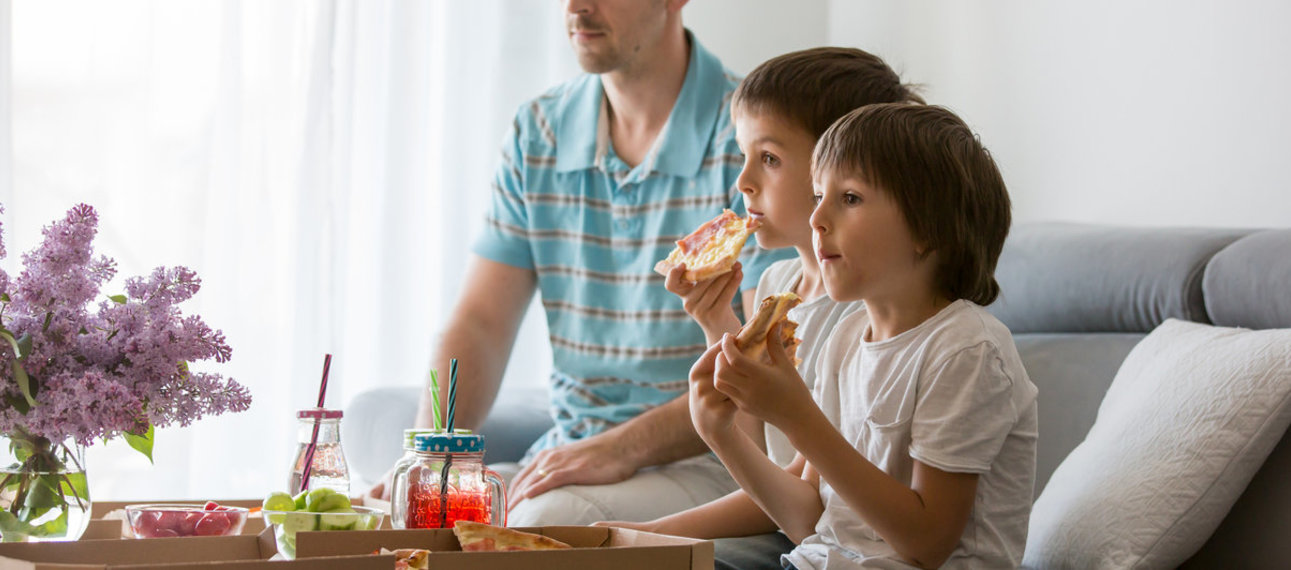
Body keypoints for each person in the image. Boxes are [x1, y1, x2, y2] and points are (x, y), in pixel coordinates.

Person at [369, 0, 793, 526]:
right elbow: (481, 323)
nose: (576, 7)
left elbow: (762, 363)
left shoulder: (753, 139)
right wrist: (434, 460)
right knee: (420, 518)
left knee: (528, 527)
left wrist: (622, 447)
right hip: (570, 454)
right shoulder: (538, 132)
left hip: (717, 461)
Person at [656, 103, 1038, 569]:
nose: (817, 218)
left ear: (928, 229)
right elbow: (807, 521)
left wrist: (798, 417)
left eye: (850, 198)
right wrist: (719, 434)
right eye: (818, 195)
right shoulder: (846, 336)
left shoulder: (966, 350)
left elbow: (928, 543)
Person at [612, 48, 924, 569]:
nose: (743, 182)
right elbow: (759, 461)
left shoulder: (860, 315)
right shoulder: (780, 282)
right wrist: (718, 323)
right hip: (791, 528)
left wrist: (648, 536)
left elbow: (804, 502)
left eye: (770, 159)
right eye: (743, 155)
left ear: (840, 173)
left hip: (828, 540)